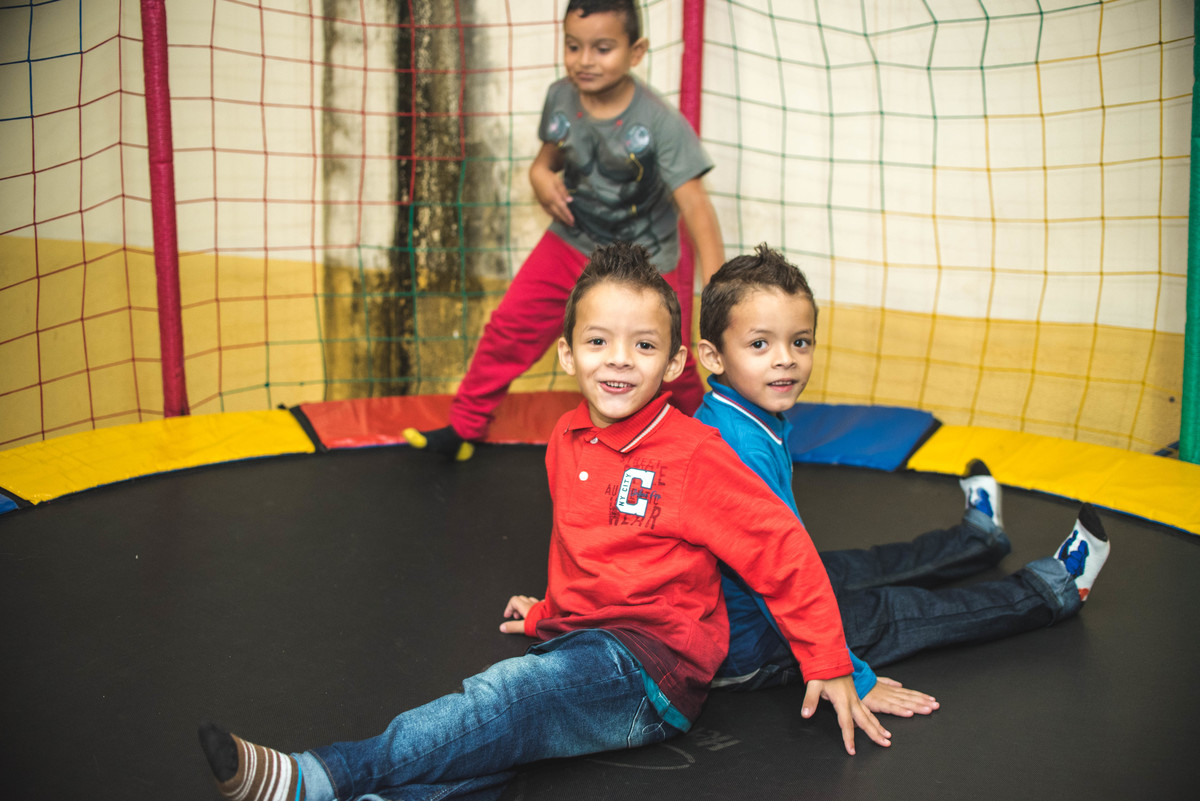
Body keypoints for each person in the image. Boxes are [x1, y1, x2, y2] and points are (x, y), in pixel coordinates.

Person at [197, 242, 890, 801]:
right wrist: (548, 614)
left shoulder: (692, 453)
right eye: (598, 340)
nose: (619, 358)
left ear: (677, 361)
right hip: (588, 645)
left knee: (508, 694)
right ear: (567, 353)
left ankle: (318, 776)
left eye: (644, 346)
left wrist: (829, 661)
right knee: (499, 744)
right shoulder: (566, 442)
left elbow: (782, 549)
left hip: (659, 670)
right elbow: (588, 555)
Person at [693, 244, 1111, 699]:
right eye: (760, 344)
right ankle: (1054, 589)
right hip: (752, 649)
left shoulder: (734, 413)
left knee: (865, 566)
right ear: (713, 357)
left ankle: (978, 541)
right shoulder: (739, 448)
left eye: (800, 341)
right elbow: (776, 577)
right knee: (897, 610)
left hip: (746, 609)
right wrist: (847, 670)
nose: (785, 358)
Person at [403, 0, 724, 462]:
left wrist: (718, 293)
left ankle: (713, 440)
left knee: (672, 358)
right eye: (574, 46)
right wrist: (538, 175)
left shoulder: (659, 122)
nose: (584, 60)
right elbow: (549, 158)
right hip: (573, 239)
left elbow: (695, 205)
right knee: (508, 329)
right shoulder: (561, 96)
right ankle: (465, 427)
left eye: (602, 48)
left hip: (646, 258)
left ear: (636, 52)